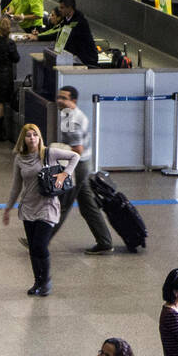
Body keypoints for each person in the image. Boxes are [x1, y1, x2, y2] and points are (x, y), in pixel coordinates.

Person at [1, 123, 79, 297]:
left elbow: (75, 156)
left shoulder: (49, 153)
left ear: (39, 137)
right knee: (33, 249)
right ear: (24, 139)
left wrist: (64, 174)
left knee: (39, 245)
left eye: (35, 135)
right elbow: (16, 186)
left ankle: (45, 281)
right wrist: (8, 208)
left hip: (47, 206)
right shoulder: (20, 159)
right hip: (28, 206)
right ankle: (37, 281)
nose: (32, 138)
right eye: (28, 136)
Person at [50, 86, 114, 253]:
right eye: (59, 97)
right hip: (84, 163)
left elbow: (77, 149)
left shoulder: (72, 120)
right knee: (87, 205)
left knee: (62, 204)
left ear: (73, 101)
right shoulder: (70, 114)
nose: (60, 101)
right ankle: (105, 241)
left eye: (64, 98)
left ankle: (41, 240)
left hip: (77, 166)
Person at [30, 0, 97, 66]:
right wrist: (40, 34)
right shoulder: (66, 19)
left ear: (70, 8)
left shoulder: (78, 21)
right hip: (73, 57)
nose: (59, 10)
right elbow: (55, 30)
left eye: (62, 7)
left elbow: (62, 34)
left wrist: (38, 37)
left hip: (85, 59)